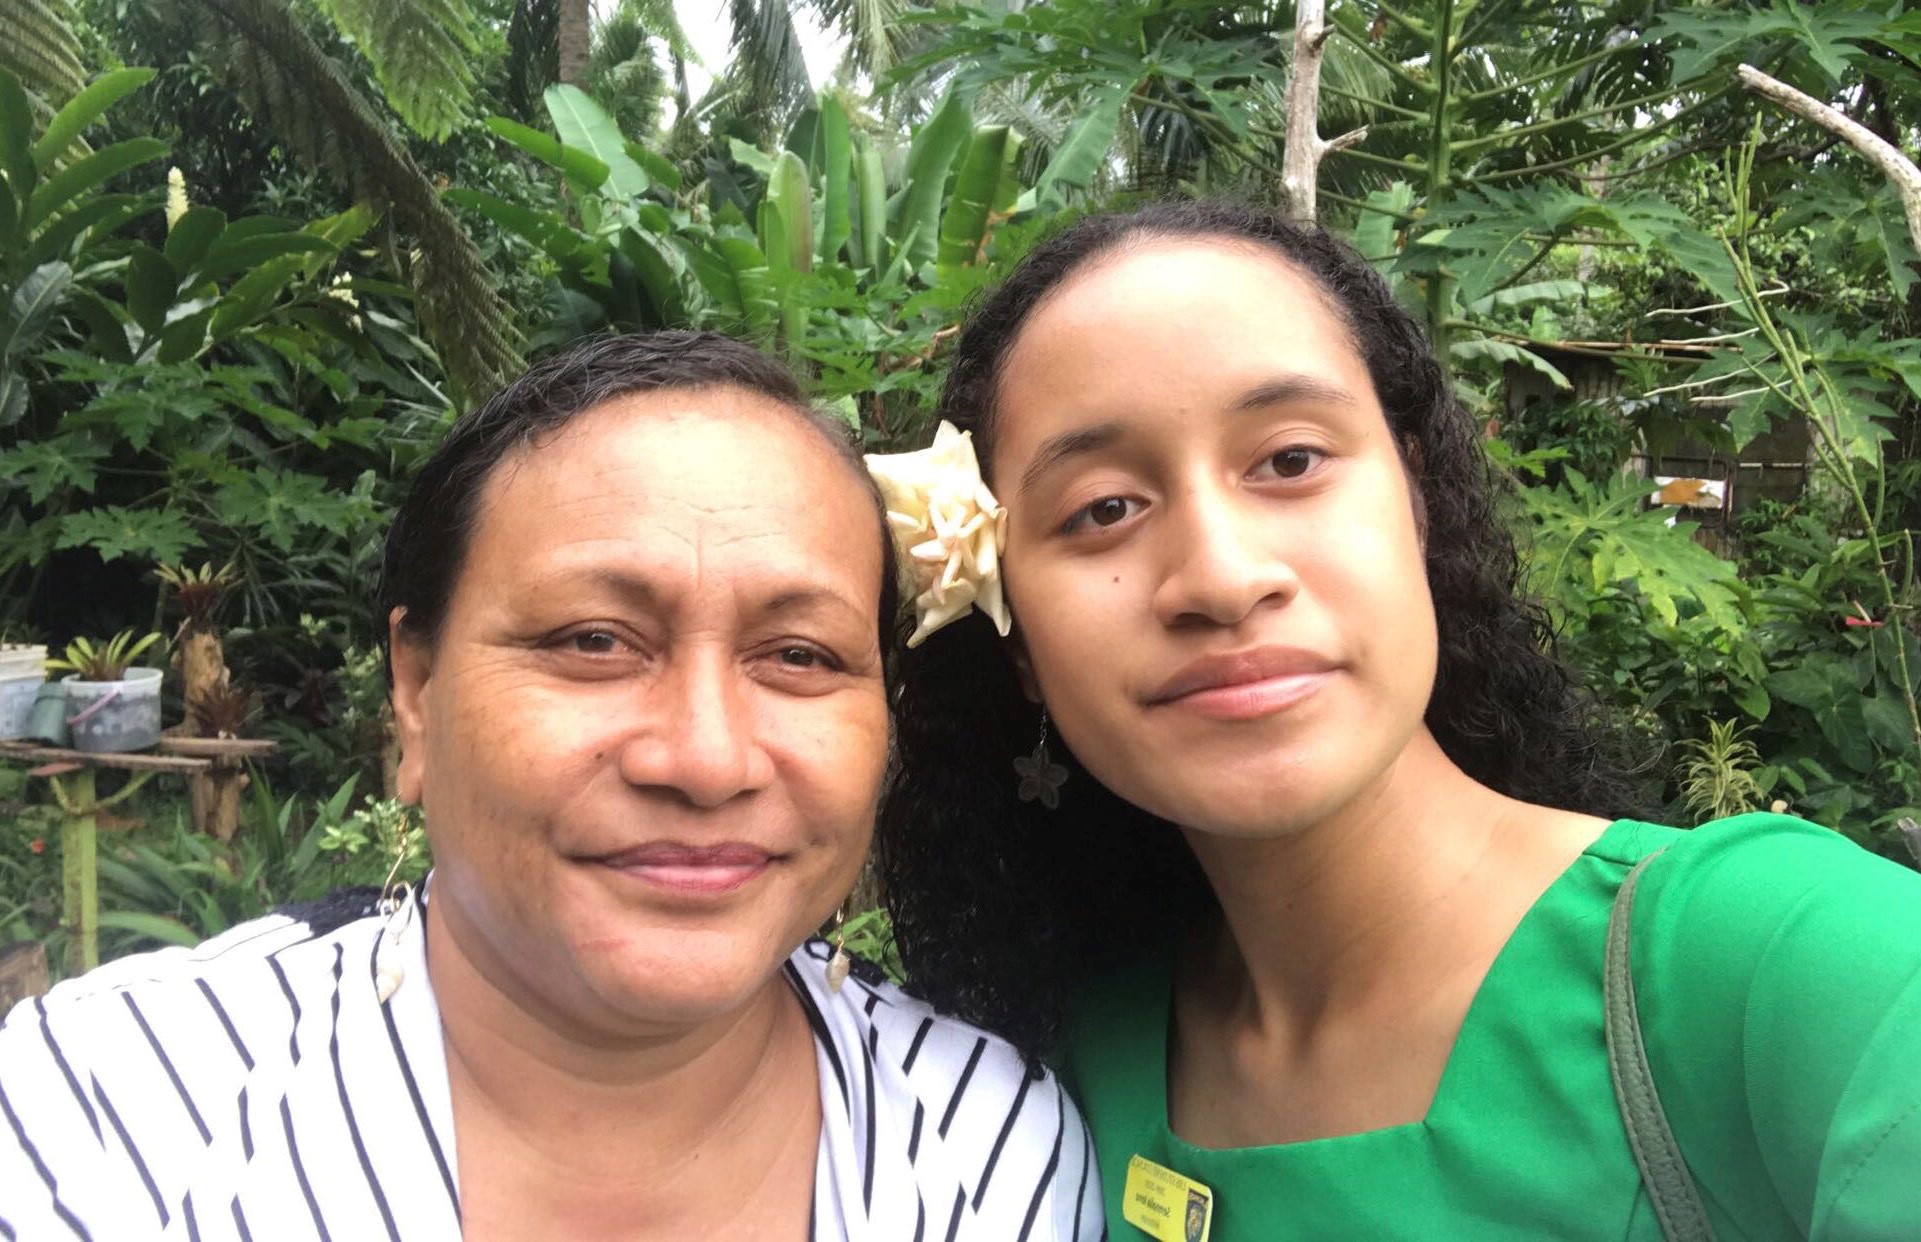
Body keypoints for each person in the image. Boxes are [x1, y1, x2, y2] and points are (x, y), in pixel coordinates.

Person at [871, 201, 1921, 1239]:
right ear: (1011, 637)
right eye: (1102, 509)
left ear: (1415, 501)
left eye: (1289, 460)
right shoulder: (1060, 1080)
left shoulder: (1784, 968)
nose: (1224, 579)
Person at [0, 332, 1102, 1241]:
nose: (707, 759)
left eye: (800, 655)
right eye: (592, 640)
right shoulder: (97, 1118)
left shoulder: (988, 1157)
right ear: (417, 691)